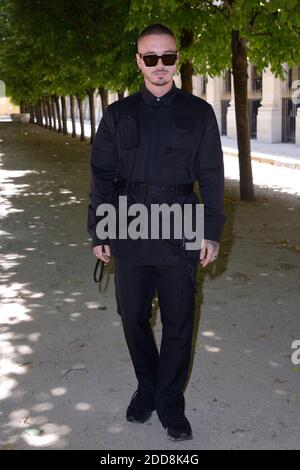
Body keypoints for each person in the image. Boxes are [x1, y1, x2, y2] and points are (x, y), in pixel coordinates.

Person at [87, 23, 226, 442]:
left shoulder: (199, 112)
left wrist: (211, 231)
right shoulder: (118, 114)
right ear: (139, 61)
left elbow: (213, 178)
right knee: (132, 317)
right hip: (128, 225)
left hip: (181, 223)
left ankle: (169, 402)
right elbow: (102, 176)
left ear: (177, 60)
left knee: (180, 322)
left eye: (167, 57)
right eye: (151, 57)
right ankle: (146, 388)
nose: (160, 65)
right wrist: (99, 230)